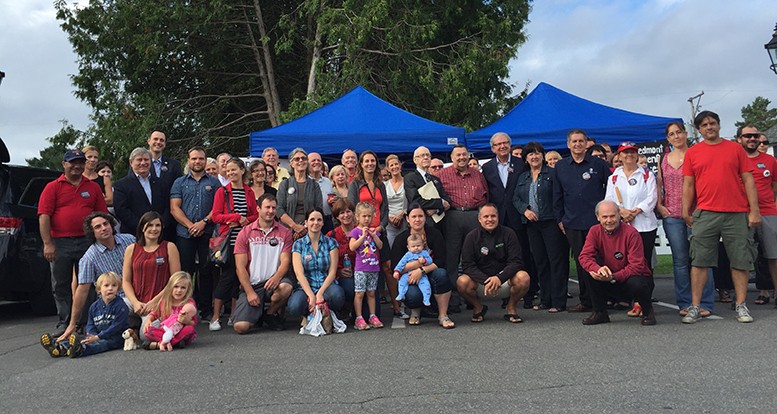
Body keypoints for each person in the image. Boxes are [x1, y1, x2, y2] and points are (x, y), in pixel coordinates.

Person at [681, 111, 760, 324]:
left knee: (740, 261)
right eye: (705, 125)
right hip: (706, 213)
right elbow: (688, 184)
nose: (709, 127)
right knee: (699, 261)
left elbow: (748, 180)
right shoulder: (693, 152)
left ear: (719, 125)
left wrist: (754, 211)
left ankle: (741, 306)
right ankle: (695, 306)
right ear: (698, 129)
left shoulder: (736, 149)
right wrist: (685, 210)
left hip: (736, 213)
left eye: (713, 123)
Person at [38, 149, 108, 335]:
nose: (77, 166)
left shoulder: (92, 187)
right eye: (72, 162)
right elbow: (44, 216)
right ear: (64, 164)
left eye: (80, 162)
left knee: (89, 283)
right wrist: (47, 243)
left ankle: (86, 322)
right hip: (60, 242)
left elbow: (102, 214)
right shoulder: (53, 187)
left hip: (87, 242)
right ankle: (65, 321)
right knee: (61, 284)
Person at [656, 122, 715, 317]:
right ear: (668, 138)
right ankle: (685, 302)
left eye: (679, 132)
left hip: (696, 214)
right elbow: (659, 184)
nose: (676, 137)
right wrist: (659, 205)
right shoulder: (663, 159)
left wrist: (700, 210)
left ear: (685, 133)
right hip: (672, 216)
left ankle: (705, 302)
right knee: (680, 261)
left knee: (700, 259)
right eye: (671, 134)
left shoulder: (697, 154)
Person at [553, 129, 611, 313]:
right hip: (572, 222)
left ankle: (603, 300)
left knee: (600, 260)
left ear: (587, 143)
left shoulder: (598, 164)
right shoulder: (561, 167)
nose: (578, 144)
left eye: (581, 141)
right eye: (574, 141)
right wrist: (560, 219)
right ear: (568, 144)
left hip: (597, 222)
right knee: (581, 262)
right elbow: (557, 195)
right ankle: (586, 301)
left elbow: (609, 190)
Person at [56, 212, 135, 342]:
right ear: (92, 232)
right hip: (115, 301)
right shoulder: (89, 258)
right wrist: (72, 324)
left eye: (106, 224)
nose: (104, 228)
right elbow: (82, 290)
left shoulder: (129, 240)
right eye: (98, 227)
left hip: (138, 294)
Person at [578, 200, 656, 326]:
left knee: (637, 282)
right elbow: (584, 256)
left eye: (612, 216)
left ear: (619, 215)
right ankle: (600, 312)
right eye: (604, 217)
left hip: (631, 279)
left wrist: (614, 277)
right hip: (609, 277)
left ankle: (647, 312)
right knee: (589, 271)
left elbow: (637, 266)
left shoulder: (632, 233)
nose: (609, 220)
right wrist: (598, 270)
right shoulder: (594, 231)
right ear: (598, 217)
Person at [482, 132, 536, 308]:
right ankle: (506, 295)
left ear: (510, 145)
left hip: (518, 215)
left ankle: (528, 294)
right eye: (498, 144)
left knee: (524, 254)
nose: (502, 146)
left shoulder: (521, 164)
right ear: (493, 148)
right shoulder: (488, 167)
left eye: (505, 143)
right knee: (502, 256)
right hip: (498, 218)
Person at [513, 142, 569, 312]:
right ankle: (546, 299)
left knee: (556, 261)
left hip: (551, 222)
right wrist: (524, 210)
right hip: (532, 225)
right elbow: (516, 198)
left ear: (543, 156)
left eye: (537, 153)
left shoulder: (553, 174)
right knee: (541, 263)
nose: (534, 156)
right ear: (526, 158)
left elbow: (560, 197)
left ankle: (558, 302)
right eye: (530, 154)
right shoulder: (523, 177)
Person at [605, 141, 658, 317]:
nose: (629, 155)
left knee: (643, 265)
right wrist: (621, 212)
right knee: (628, 265)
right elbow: (609, 200)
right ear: (618, 156)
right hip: (623, 227)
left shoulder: (646, 174)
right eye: (625, 153)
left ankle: (644, 302)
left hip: (644, 226)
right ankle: (634, 299)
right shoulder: (614, 176)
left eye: (632, 152)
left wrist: (634, 212)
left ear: (637, 155)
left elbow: (651, 198)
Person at [170, 146, 222, 320]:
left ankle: (206, 309)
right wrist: (191, 225)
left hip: (207, 232)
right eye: (194, 159)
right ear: (188, 160)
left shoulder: (214, 183)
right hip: (185, 234)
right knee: (186, 271)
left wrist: (203, 222)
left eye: (201, 158)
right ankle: (183, 309)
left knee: (206, 271)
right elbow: (174, 208)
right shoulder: (179, 182)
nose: (197, 161)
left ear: (205, 161)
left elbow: (218, 207)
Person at [456, 204, 531, 323]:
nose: (490, 219)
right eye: (486, 216)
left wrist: (499, 278)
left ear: (498, 217)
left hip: (505, 281)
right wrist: (487, 280)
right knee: (462, 282)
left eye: (493, 216)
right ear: (479, 219)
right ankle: (478, 308)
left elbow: (516, 262)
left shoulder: (509, 234)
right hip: (482, 283)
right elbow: (468, 265)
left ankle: (511, 307)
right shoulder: (471, 237)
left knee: (524, 278)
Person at [232, 193, 294, 334]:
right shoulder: (245, 233)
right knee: (240, 327)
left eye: (273, 208)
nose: (271, 211)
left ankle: (270, 313)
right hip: (253, 285)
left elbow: (285, 261)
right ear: (258, 209)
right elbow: (240, 267)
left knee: (286, 287)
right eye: (267, 207)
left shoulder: (285, 233)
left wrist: (276, 277)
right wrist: (249, 292)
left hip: (274, 282)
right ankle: (257, 313)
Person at [209, 157, 258, 331]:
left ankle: (234, 314)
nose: (230, 173)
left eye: (233, 170)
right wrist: (236, 218)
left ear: (242, 171)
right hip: (228, 240)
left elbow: (255, 216)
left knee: (242, 277)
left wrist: (244, 220)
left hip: (245, 239)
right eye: (228, 171)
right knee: (227, 277)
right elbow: (216, 216)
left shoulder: (249, 192)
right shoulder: (222, 192)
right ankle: (215, 316)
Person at [438, 144, 489, 311]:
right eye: (458, 155)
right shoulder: (442, 175)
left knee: (475, 257)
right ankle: (453, 299)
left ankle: (472, 296)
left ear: (468, 156)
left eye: (464, 155)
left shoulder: (478, 175)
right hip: (453, 216)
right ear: (451, 158)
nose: (461, 158)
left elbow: (485, 197)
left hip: (474, 216)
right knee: (452, 259)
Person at [390, 203, 454, 328]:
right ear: (408, 219)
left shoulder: (435, 234)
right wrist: (416, 265)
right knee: (413, 296)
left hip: (431, 273)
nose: (417, 219)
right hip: (410, 278)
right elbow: (396, 266)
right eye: (413, 217)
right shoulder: (401, 239)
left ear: (425, 218)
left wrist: (422, 270)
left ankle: (443, 315)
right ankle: (415, 312)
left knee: (442, 274)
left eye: (420, 216)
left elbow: (441, 260)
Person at [40, 271, 128, 358]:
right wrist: (91, 335)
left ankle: (80, 349)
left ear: (118, 288)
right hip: (97, 335)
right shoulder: (94, 307)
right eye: (106, 285)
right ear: (98, 289)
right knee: (85, 340)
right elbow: (90, 323)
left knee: (103, 344)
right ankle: (59, 348)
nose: (110, 288)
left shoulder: (121, 306)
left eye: (114, 285)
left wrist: (98, 337)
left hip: (115, 337)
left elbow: (116, 326)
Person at [122, 211, 181, 336]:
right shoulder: (131, 249)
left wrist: (154, 301)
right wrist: (135, 302)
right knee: (115, 308)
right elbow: (126, 281)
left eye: (158, 225)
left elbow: (175, 281)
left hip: (159, 302)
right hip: (135, 302)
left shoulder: (169, 247)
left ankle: (137, 332)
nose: (154, 229)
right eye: (150, 225)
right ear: (142, 227)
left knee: (146, 336)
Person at [736, 126, 777, 306]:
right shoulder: (735, 160)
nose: (753, 139)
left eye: (755, 136)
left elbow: (774, 186)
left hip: (768, 212)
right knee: (741, 257)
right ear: (739, 139)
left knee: (773, 256)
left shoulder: (770, 160)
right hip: (742, 213)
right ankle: (741, 299)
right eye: (748, 136)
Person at [288, 208, 345, 319]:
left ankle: (328, 312)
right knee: (294, 306)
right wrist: (311, 296)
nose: (315, 223)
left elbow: (332, 272)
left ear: (323, 222)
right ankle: (309, 314)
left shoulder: (331, 242)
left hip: (327, 286)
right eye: (312, 219)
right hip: (305, 287)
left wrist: (319, 294)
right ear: (306, 223)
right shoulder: (298, 244)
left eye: (319, 220)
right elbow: (299, 274)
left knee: (338, 296)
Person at [113, 147, 168, 236]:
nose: (143, 163)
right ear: (131, 162)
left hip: (160, 233)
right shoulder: (121, 185)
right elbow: (121, 210)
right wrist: (143, 227)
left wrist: (160, 225)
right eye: (139, 160)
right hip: (134, 233)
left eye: (146, 160)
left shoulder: (161, 183)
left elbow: (167, 206)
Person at [349, 202, 385, 330]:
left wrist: (374, 235)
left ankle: (372, 315)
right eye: (364, 216)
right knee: (359, 293)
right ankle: (359, 317)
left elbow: (380, 246)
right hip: (361, 269)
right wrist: (363, 236)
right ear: (357, 217)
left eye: (369, 216)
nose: (366, 219)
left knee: (371, 292)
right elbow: (352, 247)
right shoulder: (355, 231)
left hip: (373, 267)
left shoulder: (373, 231)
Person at [142, 271, 198, 351]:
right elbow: (154, 314)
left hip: (180, 331)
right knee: (148, 330)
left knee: (189, 329)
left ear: (187, 290)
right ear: (170, 287)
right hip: (165, 330)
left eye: (183, 288)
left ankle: (160, 344)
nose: (179, 290)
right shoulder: (165, 301)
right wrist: (149, 320)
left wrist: (187, 321)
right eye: (176, 287)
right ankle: (173, 343)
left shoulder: (189, 303)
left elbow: (194, 323)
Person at [277, 148, 323, 240]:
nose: (301, 161)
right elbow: (279, 209)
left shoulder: (314, 185)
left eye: (304, 158)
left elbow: (319, 209)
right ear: (291, 163)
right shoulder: (285, 184)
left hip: (310, 231)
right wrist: (295, 227)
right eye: (297, 159)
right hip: (287, 231)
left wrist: (304, 228)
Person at [147, 130, 183, 240]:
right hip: (146, 218)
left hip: (169, 217)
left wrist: (166, 217)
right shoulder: (140, 163)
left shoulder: (174, 165)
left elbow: (177, 192)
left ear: (165, 144)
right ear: (149, 141)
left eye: (161, 140)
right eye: (155, 139)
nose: (158, 142)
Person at [326, 198, 359, 320]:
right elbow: (325, 261)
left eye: (348, 211)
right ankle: (343, 308)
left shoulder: (361, 231)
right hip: (339, 275)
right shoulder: (331, 236)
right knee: (349, 286)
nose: (346, 215)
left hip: (361, 273)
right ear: (337, 217)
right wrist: (338, 271)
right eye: (341, 213)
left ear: (354, 213)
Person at [403, 146, 450, 228]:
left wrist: (436, 209)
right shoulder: (410, 178)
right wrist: (440, 203)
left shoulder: (435, 179)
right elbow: (415, 200)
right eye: (422, 155)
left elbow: (446, 199)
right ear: (415, 160)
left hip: (439, 225)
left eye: (428, 155)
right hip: (419, 225)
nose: (426, 157)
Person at [394, 234, 433, 306]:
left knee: (426, 285)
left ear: (422, 245)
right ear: (408, 247)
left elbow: (430, 260)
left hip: (422, 274)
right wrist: (397, 271)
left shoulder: (424, 253)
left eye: (418, 246)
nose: (416, 248)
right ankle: (401, 294)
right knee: (402, 282)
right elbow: (401, 263)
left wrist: (424, 261)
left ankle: (426, 298)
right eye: (413, 246)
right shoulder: (407, 255)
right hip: (407, 273)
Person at [384, 154, 407, 248]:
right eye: (391, 165)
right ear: (388, 169)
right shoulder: (384, 185)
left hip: (405, 221)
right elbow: (382, 205)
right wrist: (388, 218)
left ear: (400, 165)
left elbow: (413, 200)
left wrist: (402, 213)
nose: (394, 167)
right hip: (389, 223)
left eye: (396, 164)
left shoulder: (408, 182)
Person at [308, 152, 334, 234]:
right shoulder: (305, 182)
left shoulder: (327, 181)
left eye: (319, 160)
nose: (317, 162)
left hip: (327, 220)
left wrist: (334, 201)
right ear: (307, 164)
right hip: (312, 222)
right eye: (313, 160)